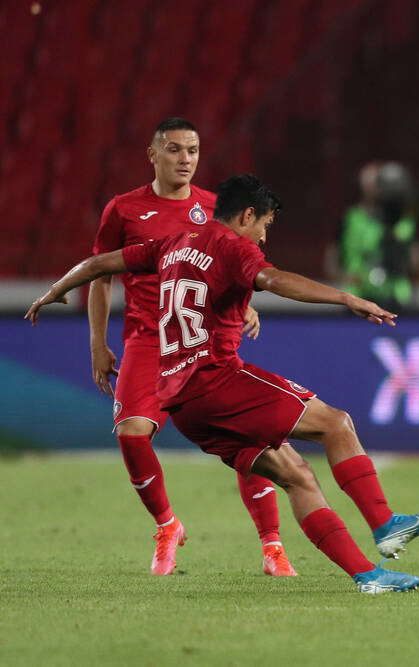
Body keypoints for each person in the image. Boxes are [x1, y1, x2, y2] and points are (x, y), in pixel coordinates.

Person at [29, 174, 419, 593]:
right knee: (337, 423)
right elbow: (275, 280)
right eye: (264, 224)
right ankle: (386, 525)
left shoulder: (172, 244)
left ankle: (369, 576)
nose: (263, 237)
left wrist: (55, 289)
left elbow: (100, 263)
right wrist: (345, 298)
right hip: (217, 380)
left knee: (295, 475)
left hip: (181, 401)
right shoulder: (232, 246)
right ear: (247, 215)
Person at [89, 117, 297, 576]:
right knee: (131, 433)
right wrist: (97, 344)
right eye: (175, 149)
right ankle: (167, 525)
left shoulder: (214, 207)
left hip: (203, 343)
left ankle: (273, 545)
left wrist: (244, 304)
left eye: (193, 151)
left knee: (247, 439)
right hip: (146, 339)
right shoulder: (123, 210)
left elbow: (241, 262)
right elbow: (100, 276)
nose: (185, 159)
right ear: (153, 154)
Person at [339, 162, 418, 311]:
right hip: (358, 295)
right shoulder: (352, 219)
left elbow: (414, 261)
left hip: (397, 296)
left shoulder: (405, 222)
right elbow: (338, 258)